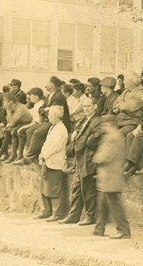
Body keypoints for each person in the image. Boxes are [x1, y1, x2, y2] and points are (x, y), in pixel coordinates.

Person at [58, 97, 101, 225]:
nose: (86, 109)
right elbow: (78, 130)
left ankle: (90, 216)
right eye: (84, 107)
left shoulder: (97, 120)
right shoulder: (83, 119)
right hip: (79, 158)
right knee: (77, 187)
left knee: (88, 188)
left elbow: (97, 136)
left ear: (95, 106)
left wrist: (86, 141)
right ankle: (74, 215)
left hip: (89, 157)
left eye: (88, 106)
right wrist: (76, 133)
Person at [16, 76, 70, 165]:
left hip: (58, 122)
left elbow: (53, 113)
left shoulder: (58, 96)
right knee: (29, 131)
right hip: (49, 120)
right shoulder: (50, 96)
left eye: (47, 82)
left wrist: (45, 110)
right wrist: (45, 109)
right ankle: (33, 156)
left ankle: (29, 157)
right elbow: (41, 109)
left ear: (52, 84)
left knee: (38, 132)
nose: (45, 85)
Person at [92, 115, 131, 239]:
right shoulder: (113, 136)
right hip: (107, 176)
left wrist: (96, 158)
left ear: (110, 125)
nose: (103, 127)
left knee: (114, 206)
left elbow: (104, 156)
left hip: (111, 176)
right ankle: (99, 229)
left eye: (105, 124)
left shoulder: (113, 137)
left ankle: (123, 230)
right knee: (102, 204)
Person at [37, 105, 70, 222]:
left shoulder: (61, 129)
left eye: (50, 115)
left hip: (55, 161)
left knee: (55, 189)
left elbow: (55, 147)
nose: (48, 117)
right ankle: (47, 211)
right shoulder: (53, 127)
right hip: (47, 160)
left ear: (56, 116)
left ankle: (56, 213)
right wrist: (41, 155)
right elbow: (46, 144)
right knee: (45, 186)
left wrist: (44, 155)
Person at [112, 71, 143, 137]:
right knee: (103, 128)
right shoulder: (126, 91)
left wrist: (120, 105)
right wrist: (119, 105)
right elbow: (115, 102)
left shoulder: (141, 93)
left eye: (125, 80)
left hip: (132, 122)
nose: (123, 82)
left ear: (131, 81)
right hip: (121, 120)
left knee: (116, 135)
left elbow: (129, 107)